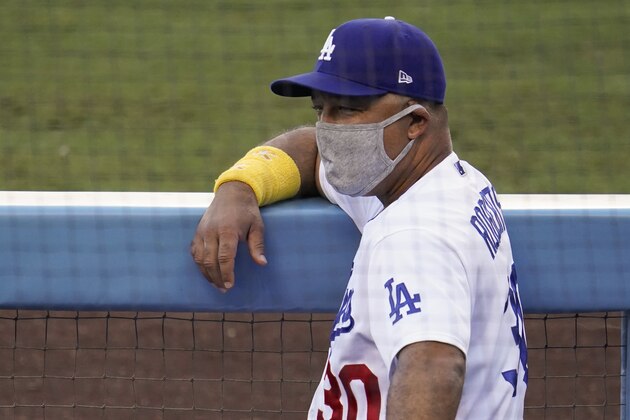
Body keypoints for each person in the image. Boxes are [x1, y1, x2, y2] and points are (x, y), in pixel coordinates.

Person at [191, 16, 528, 419]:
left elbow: (434, 367)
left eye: (348, 110)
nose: (327, 129)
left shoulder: (415, 233)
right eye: (321, 109)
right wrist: (239, 186)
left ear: (415, 122)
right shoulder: (441, 183)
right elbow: (312, 152)